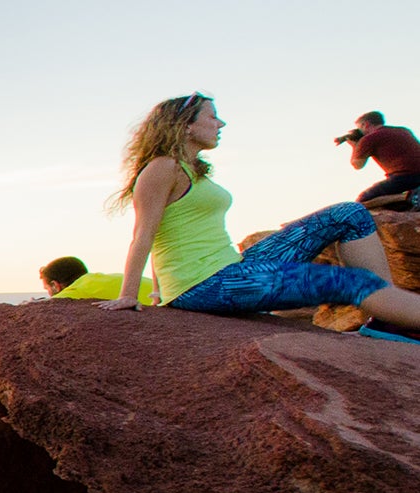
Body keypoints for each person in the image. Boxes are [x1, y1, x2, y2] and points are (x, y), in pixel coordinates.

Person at [99, 93, 420, 343]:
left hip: (231, 267)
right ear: (185, 124)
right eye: (213, 116)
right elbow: (145, 233)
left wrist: (157, 290)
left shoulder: (192, 169)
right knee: (351, 282)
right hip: (204, 284)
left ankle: (387, 317)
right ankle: (396, 312)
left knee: (349, 213)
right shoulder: (162, 168)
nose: (221, 124)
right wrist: (129, 295)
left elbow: (169, 232)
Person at [339, 111, 420, 205]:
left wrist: (355, 147)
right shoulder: (404, 130)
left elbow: (357, 165)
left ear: (365, 124)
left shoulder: (369, 139)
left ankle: (409, 197)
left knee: (363, 200)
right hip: (414, 176)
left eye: (359, 128)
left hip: (403, 177)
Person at [40, 256, 154, 303]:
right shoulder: (98, 280)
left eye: (47, 289)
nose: (49, 294)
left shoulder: (76, 290)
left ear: (55, 285)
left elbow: (48, 305)